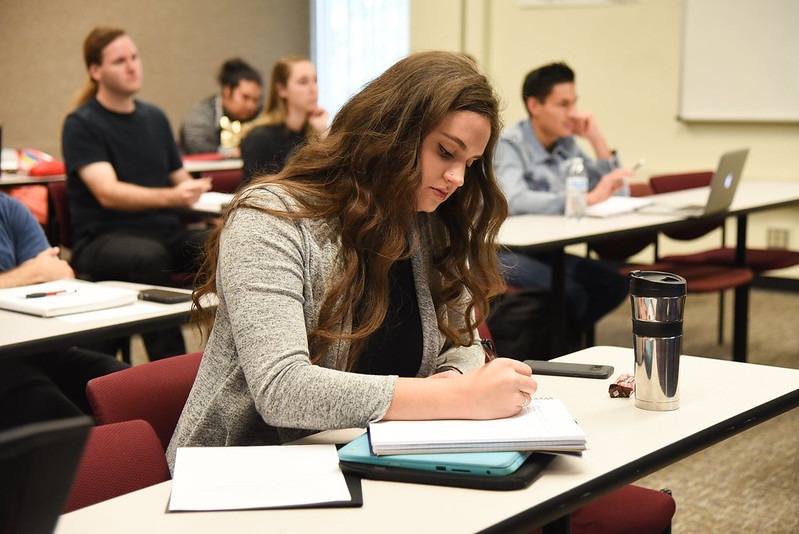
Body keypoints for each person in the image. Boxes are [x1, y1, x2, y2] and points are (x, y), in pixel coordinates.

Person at [167, 51, 537, 469]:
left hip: (371, 458)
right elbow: (283, 390)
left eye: (469, 163)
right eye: (446, 152)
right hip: (247, 472)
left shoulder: (425, 221)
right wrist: (454, 397)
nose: (457, 178)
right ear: (391, 132)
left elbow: (464, 343)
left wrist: (454, 381)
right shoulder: (269, 218)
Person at [61, 26, 212, 360]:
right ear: (95, 71)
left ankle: (227, 357)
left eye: (134, 57)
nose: (132, 66)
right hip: (103, 238)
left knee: (221, 243)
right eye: (119, 61)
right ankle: (170, 372)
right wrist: (175, 197)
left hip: (163, 233)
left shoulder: (154, 117)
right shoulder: (81, 124)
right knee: (148, 257)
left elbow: (179, 178)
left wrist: (196, 189)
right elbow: (108, 193)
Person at [494, 62, 632, 339]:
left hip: (547, 249)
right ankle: (559, 348)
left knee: (613, 284)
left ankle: (561, 341)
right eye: (563, 104)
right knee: (571, 293)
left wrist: (596, 138)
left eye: (574, 103)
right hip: (503, 252)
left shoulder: (566, 144)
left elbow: (619, 193)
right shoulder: (509, 145)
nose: (573, 113)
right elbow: (513, 199)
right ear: (534, 105)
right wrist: (584, 200)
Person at [0, 193, 128, 430]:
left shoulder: (8, 208)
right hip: (6, 360)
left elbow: (58, 275)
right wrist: (27, 275)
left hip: (38, 345)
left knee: (128, 388)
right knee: (58, 417)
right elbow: (40, 272)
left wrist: (37, 274)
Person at [239, 55, 329, 184]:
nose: (313, 89)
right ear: (282, 90)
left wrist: (323, 134)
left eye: (315, 80)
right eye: (303, 82)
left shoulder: (316, 132)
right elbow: (258, 193)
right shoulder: (259, 138)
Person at [180, 58, 263, 156]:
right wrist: (230, 153)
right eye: (245, 97)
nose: (251, 106)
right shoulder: (201, 114)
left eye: (255, 100)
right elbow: (197, 146)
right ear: (227, 91)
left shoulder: (261, 115)